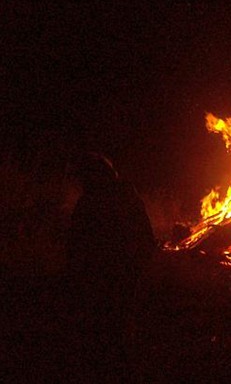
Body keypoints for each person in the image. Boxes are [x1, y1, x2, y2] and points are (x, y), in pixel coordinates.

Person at [67, 152, 156, 380]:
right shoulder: (126, 195)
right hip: (123, 272)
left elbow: (76, 242)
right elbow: (146, 236)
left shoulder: (92, 201)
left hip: (107, 273)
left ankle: (113, 370)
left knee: (107, 328)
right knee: (120, 326)